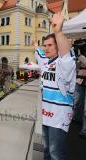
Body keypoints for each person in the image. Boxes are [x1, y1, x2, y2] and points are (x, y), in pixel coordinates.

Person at [35, 13, 76, 160]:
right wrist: (35, 46)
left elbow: (66, 53)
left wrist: (58, 32)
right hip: (46, 116)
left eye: (50, 45)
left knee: (55, 154)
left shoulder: (64, 62)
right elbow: (39, 55)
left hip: (59, 119)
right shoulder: (46, 63)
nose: (46, 48)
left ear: (58, 46)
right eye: (45, 45)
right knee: (46, 151)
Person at [73, 48, 86, 137]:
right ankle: (77, 118)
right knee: (77, 102)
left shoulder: (82, 57)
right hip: (80, 81)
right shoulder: (79, 57)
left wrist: (82, 58)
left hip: (81, 80)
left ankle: (84, 130)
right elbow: (75, 68)